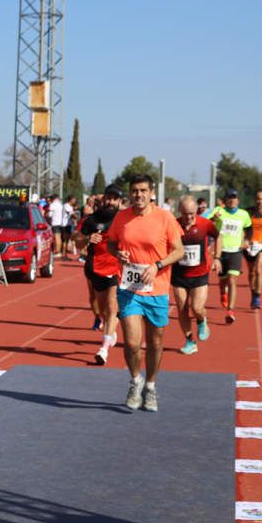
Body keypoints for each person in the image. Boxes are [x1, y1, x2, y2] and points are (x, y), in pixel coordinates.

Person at [107, 174, 184, 412]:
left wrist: (158, 266)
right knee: (131, 343)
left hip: (157, 288)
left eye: (143, 190)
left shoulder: (165, 218)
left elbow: (179, 250)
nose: (138, 195)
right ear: (130, 193)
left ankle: (150, 386)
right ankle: (135, 381)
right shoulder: (122, 217)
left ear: (151, 193)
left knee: (155, 342)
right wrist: (117, 253)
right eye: (134, 190)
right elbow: (111, 242)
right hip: (129, 288)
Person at [78, 185, 123, 365]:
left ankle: (103, 349)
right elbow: (76, 238)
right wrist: (87, 239)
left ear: (120, 201)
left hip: (117, 268)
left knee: (112, 307)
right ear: (103, 199)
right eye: (109, 198)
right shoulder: (92, 220)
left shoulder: (124, 219)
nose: (111, 202)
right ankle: (109, 328)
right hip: (96, 267)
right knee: (102, 308)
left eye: (115, 198)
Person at [172, 195, 221, 355]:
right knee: (182, 307)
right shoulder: (174, 224)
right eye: (186, 213)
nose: (189, 217)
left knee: (197, 307)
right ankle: (190, 341)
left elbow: (218, 237)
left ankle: (201, 320)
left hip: (200, 273)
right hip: (179, 274)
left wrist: (217, 258)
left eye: (192, 213)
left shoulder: (205, 223)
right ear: (180, 211)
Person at [209, 189, 251, 324]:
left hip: (235, 251)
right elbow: (207, 223)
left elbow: (249, 228)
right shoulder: (219, 210)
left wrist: (247, 240)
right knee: (223, 280)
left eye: (234, 198)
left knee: (232, 279)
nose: (232, 200)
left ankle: (230, 310)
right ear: (225, 200)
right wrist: (213, 219)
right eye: (229, 198)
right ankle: (223, 293)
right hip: (221, 251)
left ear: (238, 200)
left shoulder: (243, 214)